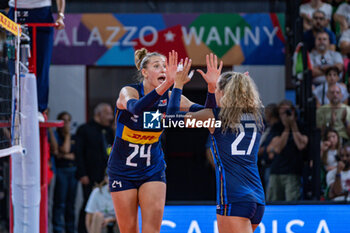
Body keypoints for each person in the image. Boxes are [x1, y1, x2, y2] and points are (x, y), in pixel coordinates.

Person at [107, 49, 218, 233]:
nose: (163, 70)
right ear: (144, 72)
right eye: (156, 66)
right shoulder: (129, 92)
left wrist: (212, 88)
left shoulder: (171, 97)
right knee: (128, 230)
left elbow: (208, 114)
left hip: (152, 169)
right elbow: (136, 109)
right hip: (122, 171)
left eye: (165, 67)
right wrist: (169, 84)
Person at [167, 58, 265, 232]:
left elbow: (171, 119)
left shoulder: (216, 117)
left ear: (224, 93)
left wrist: (178, 85)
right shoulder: (256, 117)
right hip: (257, 198)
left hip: (234, 198)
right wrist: (209, 91)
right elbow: (205, 112)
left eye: (218, 90)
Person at [7, 0, 65, 112]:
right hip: (16, 12)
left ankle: (39, 108)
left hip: (41, 12)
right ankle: (17, 105)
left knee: (42, 65)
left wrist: (60, 15)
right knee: (14, 64)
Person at [75, 103, 114, 233]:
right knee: (88, 205)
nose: (111, 117)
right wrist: (82, 174)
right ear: (99, 114)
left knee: (110, 205)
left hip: (107, 175)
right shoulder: (84, 130)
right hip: (90, 174)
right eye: (108, 114)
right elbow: (78, 153)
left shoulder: (109, 131)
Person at [266, 100, 308, 201]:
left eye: (287, 112)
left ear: (293, 111)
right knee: (274, 200)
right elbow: (278, 148)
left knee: (292, 200)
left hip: (293, 171)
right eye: (282, 113)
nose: (285, 116)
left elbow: (301, 145)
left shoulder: (301, 125)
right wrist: (287, 129)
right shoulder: (277, 127)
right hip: (276, 171)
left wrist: (293, 126)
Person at [51, 111, 77, 233]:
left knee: (70, 204)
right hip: (61, 171)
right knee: (60, 203)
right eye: (63, 120)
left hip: (73, 171)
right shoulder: (55, 136)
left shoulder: (75, 136)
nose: (66, 123)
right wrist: (66, 136)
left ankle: (70, 229)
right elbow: (61, 151)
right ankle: (58, 229)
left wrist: (64, 155)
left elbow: (74, 155)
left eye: (68, 120)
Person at [258, 103, 280, 191]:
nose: (264, 114)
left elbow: (271, 147)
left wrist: (265, 150)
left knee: (270, 190)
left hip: (271, 166)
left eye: (266, 112)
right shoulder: (266, 127)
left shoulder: (277, 128)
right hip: (261, 165)